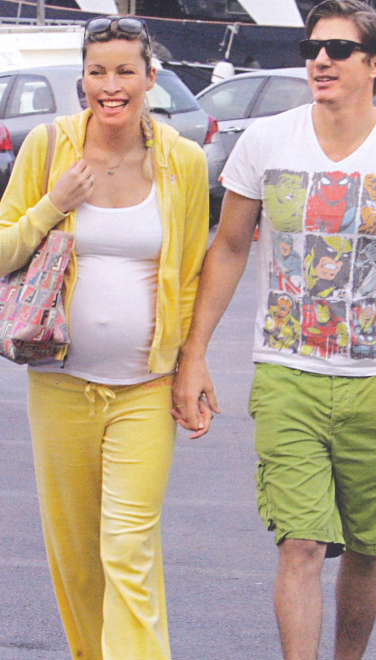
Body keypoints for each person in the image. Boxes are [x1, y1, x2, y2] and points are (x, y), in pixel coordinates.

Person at [172, 1, 376, 658]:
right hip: (287, 373)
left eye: (338, 49)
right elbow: (229, 247)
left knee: (369, 546)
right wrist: (194, 354)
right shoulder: (267, 141)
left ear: (375, 64)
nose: (320, 60)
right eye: (312, 48)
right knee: (301, 542)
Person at [0, 15, 208, 660]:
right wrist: (53, 204)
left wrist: (193, 365)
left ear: (150, 78)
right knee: (76, 555)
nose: (110, 86)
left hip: (146, 386)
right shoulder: (48, 148)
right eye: (97, 72)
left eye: (124, 71)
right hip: (60, 386)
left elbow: (192, 274)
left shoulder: (183, 160)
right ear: (83, 79)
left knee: (128, 547)